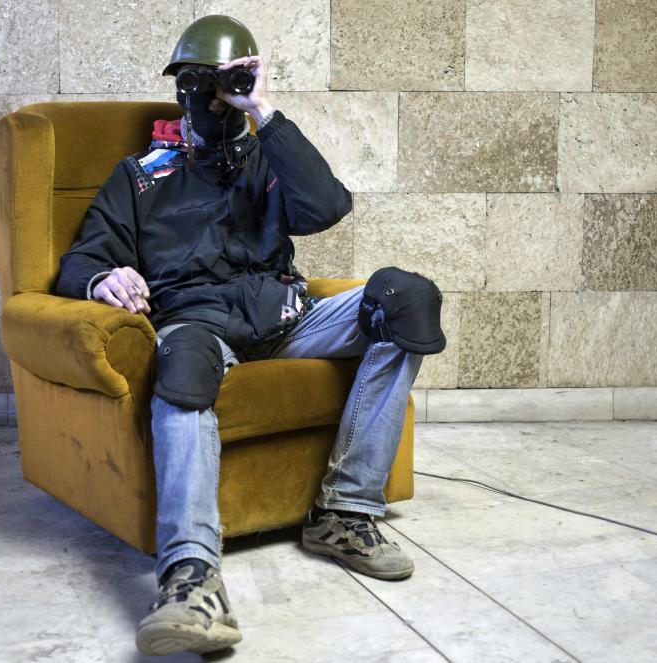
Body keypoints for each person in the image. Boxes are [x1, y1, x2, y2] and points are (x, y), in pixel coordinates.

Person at [55, 14, 446, 657]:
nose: (211, 98)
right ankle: (191, 580)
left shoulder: (269, 153)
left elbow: (324, 208)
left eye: (224, 84)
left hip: (289, 317)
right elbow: (80, 261)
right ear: (179, 87)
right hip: (200, 326)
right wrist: (105, 278)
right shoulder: (141, 175)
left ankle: (346, 512)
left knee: (408, 302)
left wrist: (264, 110)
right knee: (178, 363)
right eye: (196, 84)